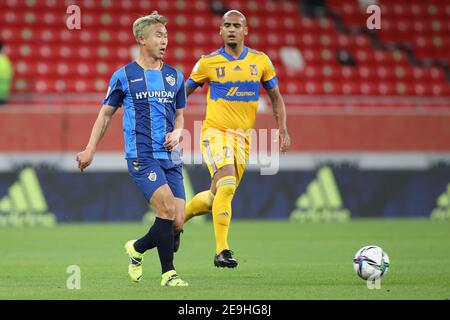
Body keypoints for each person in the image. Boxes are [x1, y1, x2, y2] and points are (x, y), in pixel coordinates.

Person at [76, 11, 188, 287]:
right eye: (158, 35)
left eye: (166, 36)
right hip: (142, 157)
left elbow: (180, 115)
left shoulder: (175, 77)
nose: (165, 41)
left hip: (170, 156)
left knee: (177, 222)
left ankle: (137, 248)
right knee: (166, 209)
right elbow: (105, 115)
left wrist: (178, 131)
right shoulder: (124, 76)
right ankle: (168, 274)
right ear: (141, 39)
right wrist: (90, 149)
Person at [183, 10, 291, 268]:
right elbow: (182, 95)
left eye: (236, 25)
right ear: (220, 31)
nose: (231, 29)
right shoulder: (207, 63)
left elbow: (276, 97)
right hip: (214, 133)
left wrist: (283, 128)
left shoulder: (260, 61)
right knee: (228, 183)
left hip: (243, 140)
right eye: (227, 25)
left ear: (246, 31)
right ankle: (222, 251)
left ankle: (177, 222)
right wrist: (172, 123)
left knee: (217, 196)